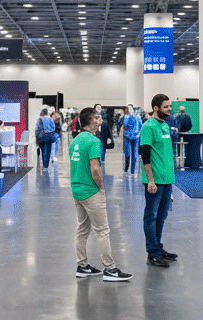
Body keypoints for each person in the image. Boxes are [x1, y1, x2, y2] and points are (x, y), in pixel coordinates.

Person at [69, 107, 131, 282]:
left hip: (77, 191)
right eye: (97, 118)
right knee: (102, 231)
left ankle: (82, 266)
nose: (100, 120)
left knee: (82, 229)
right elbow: (95, 169)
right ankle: (110, 269)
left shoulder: (76, 140)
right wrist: (101, 188)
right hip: (91, 191)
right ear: (91, 121)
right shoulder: (94, 141)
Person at [140, 93, 177, 268]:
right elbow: (145, 156)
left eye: (170, 106)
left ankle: (157, 247)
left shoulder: (165, 125)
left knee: (161, 217)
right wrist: (151, 180)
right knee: (151, 216)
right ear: (156, 108)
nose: (170, 109)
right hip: (154, 180)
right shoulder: (148, 126)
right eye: (166, 107)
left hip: (167, 179)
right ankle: (152, 253)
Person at [121, 105, 142, 175]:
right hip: (127, 137)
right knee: (127, 153)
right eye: (127, 109)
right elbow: (123, 125)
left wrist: (138, 133)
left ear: (133, 109)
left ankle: (132, 170)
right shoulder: (124, 117)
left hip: (136, 137)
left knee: (135, 154)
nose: (129, 110)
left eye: (130, 109)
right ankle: (126, 167)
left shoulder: (137, 116)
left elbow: (140, 125)